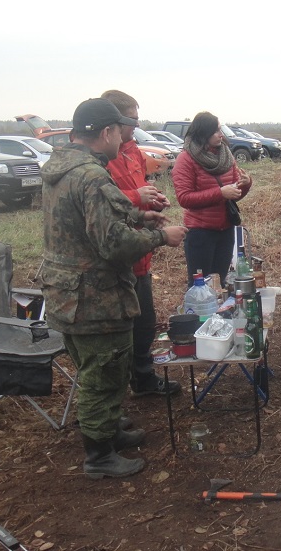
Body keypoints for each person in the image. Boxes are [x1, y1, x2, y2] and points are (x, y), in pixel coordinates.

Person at [40, 98, 187, 478]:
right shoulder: (90, 175)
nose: (123, 139)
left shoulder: (62, 168)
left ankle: (109, 431)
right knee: (101, 376)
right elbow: (113, 244)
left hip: (67, 292)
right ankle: (99, 455)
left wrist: (138, 216)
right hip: (94, 296)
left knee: (102, 368)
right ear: (106, 132)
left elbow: (92, 218)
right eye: (119, 132)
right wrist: (161, 236)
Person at [100, 89, 182, 398]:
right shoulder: (100, 160)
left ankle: (143, 378)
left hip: (140, 250)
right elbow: (104, 202)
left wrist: (153, 201)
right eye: (132, 120)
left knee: (145, 322)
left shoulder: (133, 150)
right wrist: (138, 200)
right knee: (119, 330)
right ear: (113, 122)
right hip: (117, 257)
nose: (137, 125)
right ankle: (114, 393)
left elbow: (138, 188)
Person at [171, 111, 252, 287]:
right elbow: (184, 198)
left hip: (225, 230)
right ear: (203, 133)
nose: (220, 134)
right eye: (215, 131)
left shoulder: (226, 156)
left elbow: (234, 194)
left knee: (219, 283)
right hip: (200, 233)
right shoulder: (186, 159)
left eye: (220, 130)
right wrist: (220, 193)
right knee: (200, 286)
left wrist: (245, 184)